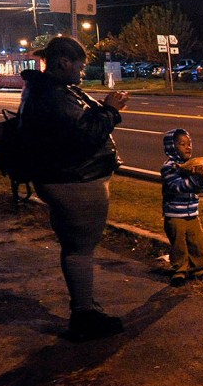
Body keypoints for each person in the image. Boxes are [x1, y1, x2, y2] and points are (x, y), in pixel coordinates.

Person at [17, 36, 128, 341]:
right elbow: (84, 134)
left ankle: (85, 307)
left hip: (66, 179)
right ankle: (84, 316)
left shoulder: (49, 90)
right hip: (74, 181)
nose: (82, 69)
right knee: (80, 250)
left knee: (76, 248)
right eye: (79, 63)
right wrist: (110, 110)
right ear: (64, 62)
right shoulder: (54, 95)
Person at [160, 128, 203, 286]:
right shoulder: (169, 167)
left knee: (197, 242)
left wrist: (201, 180)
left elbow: (197, 188)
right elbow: (176, 186)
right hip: (175, 214)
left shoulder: (192, 165)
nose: (188, 147)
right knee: (179, 244)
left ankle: (198, 269)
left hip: (192, 212)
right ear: (172, 147)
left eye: (189, 143)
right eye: (182, 144)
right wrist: (194, 181)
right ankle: (179, 270)